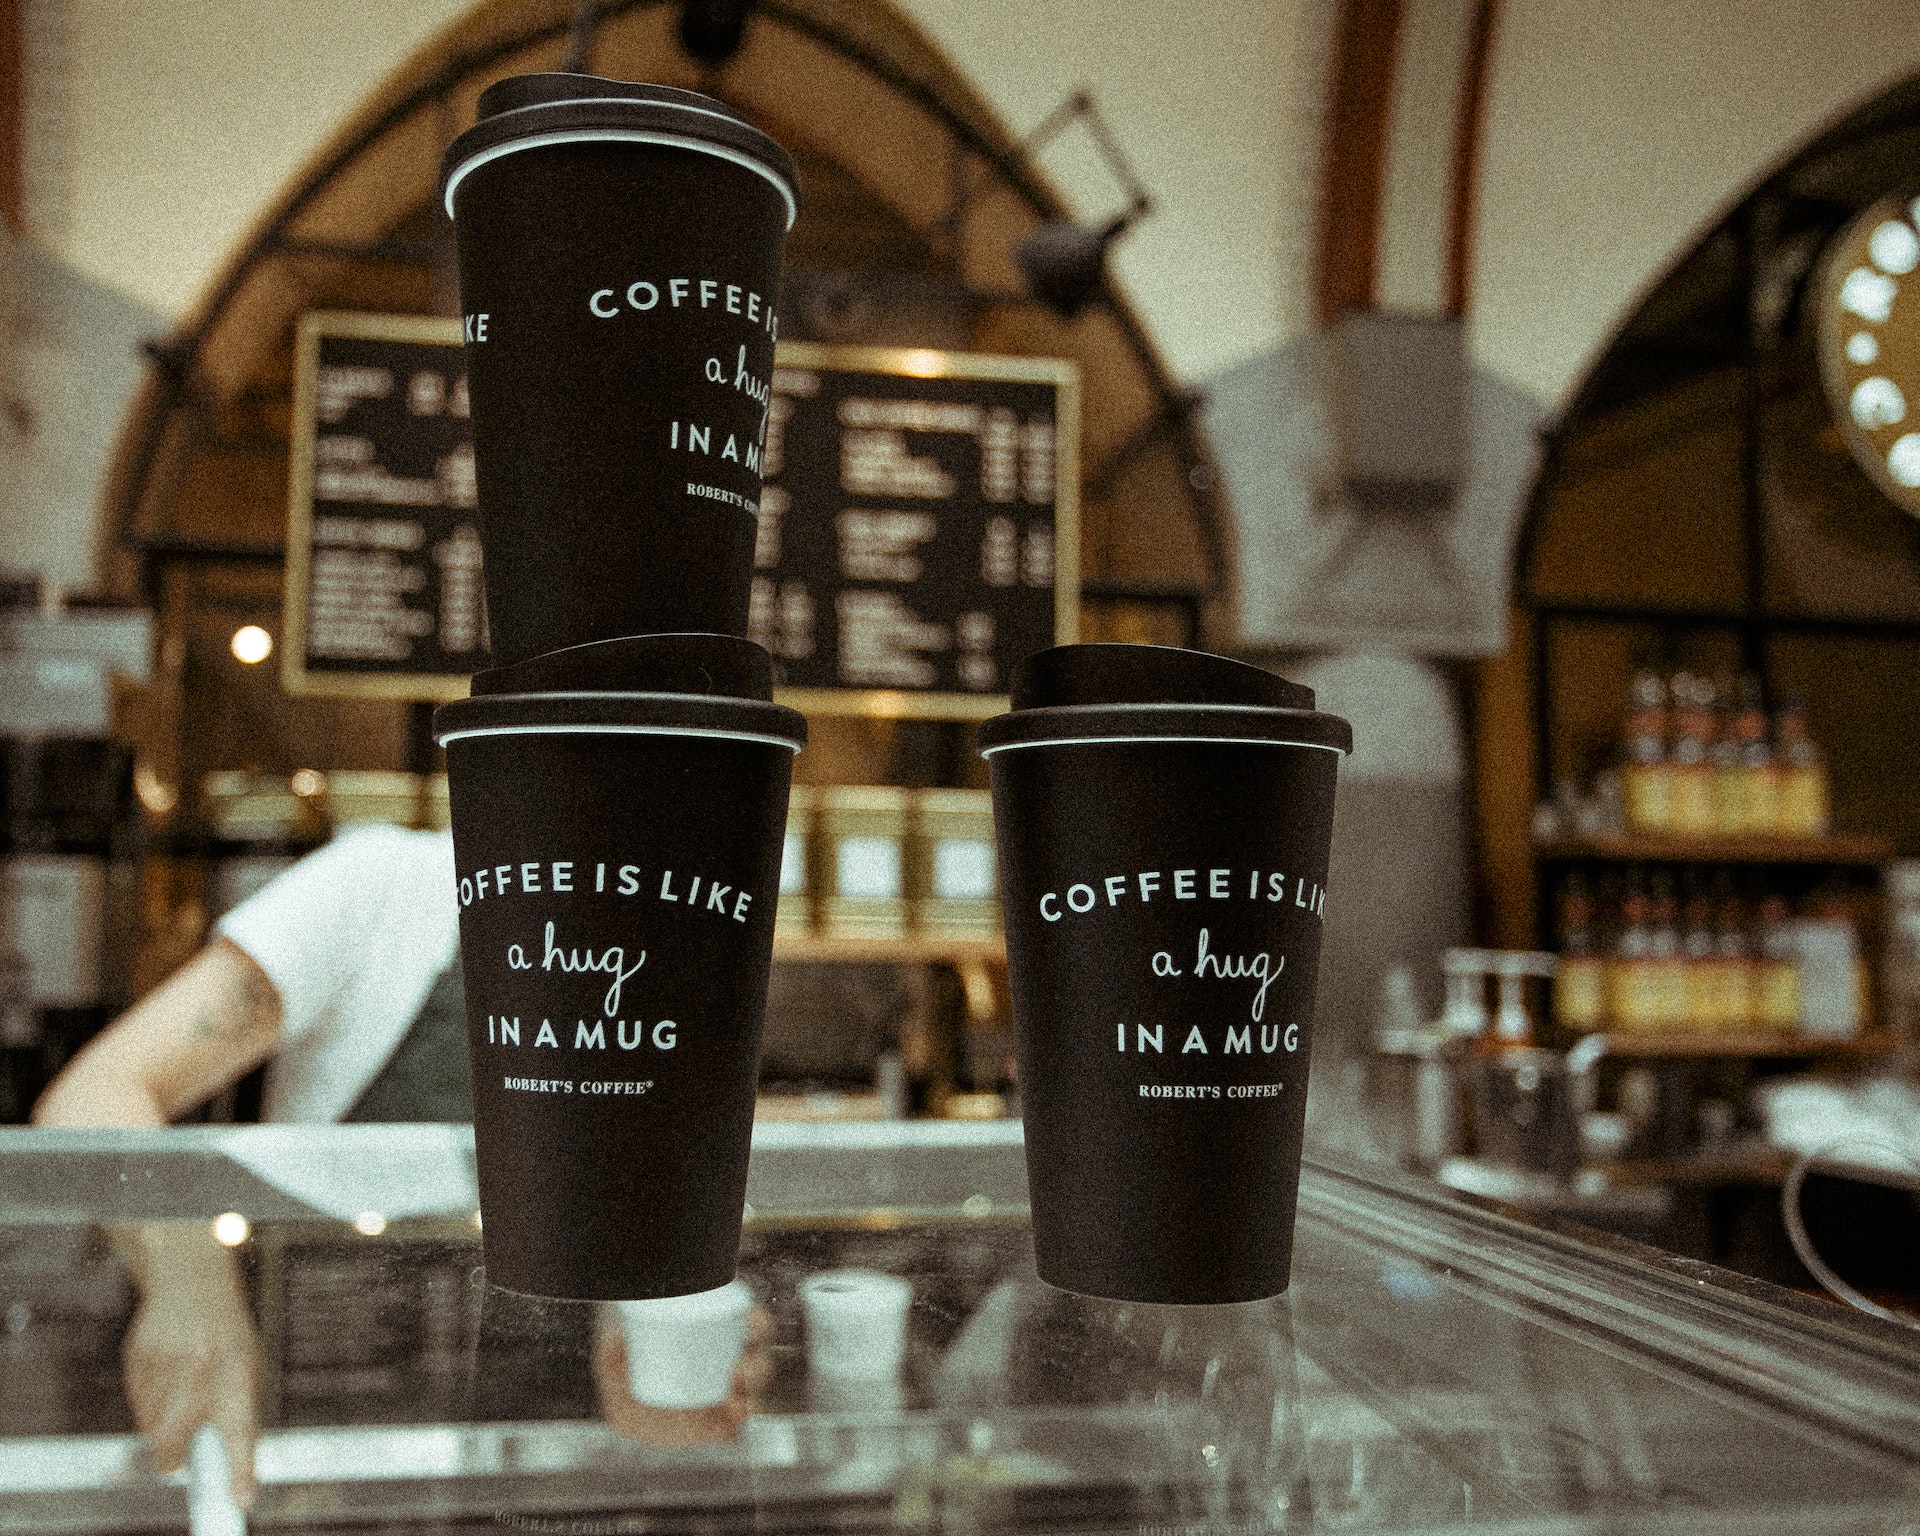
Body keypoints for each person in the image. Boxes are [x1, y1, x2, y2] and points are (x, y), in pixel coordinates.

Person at [33, 823, 767, 1507]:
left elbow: (617, 1218)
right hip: (317, 1465)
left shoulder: (686, 950)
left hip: (533, 1482)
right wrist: (187, 1278)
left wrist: (640, 1362)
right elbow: (96, 1095)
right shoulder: (387, 889)